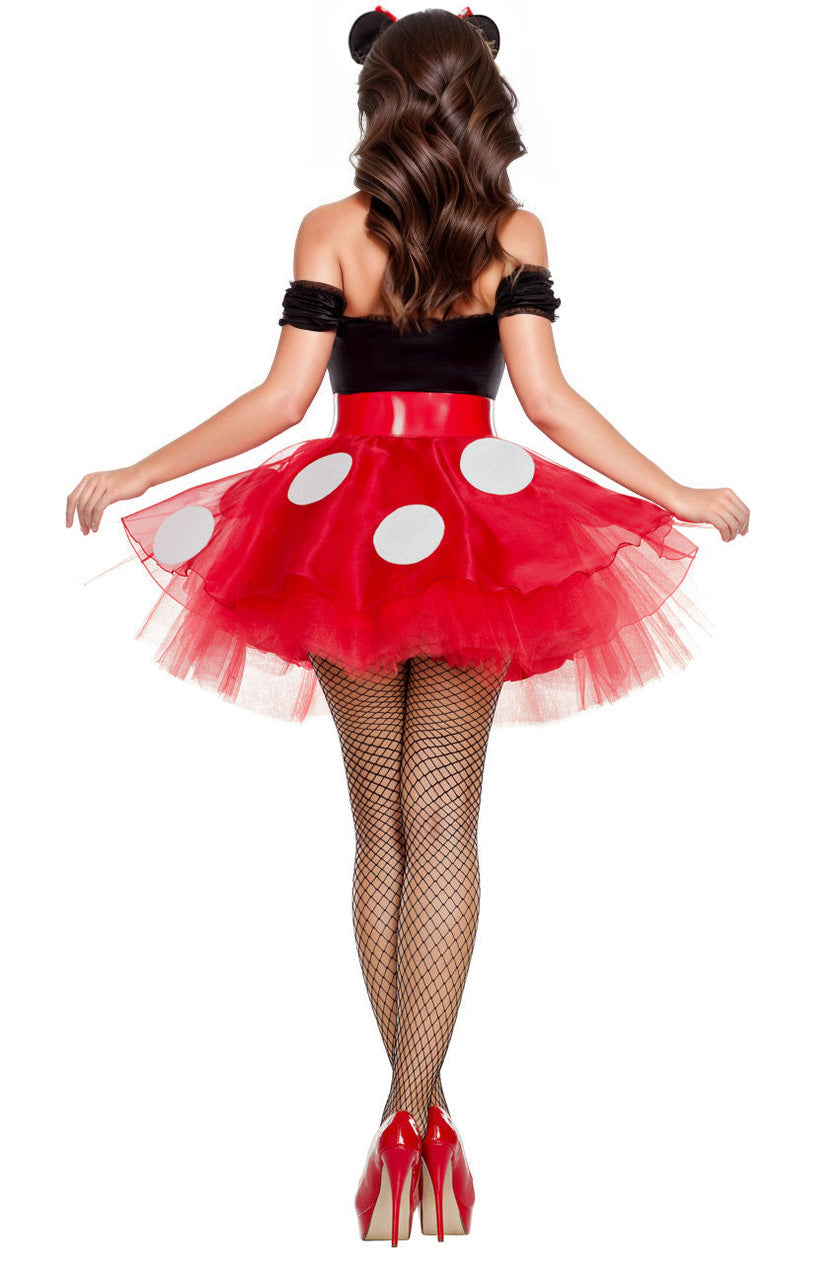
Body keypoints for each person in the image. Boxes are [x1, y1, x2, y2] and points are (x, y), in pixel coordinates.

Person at [65, 5, 750, 1246]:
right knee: (445, 823)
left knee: (378, 826)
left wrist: (140, 469)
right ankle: (414, 1113)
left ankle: (406, 1110)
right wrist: (677, 490)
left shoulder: (331, 229)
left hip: (340, 530)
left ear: (374, 102)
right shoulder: (511, 232)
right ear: (484, 99)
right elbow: (546, 402)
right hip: (481, 528)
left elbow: (284, 400)